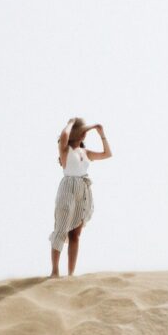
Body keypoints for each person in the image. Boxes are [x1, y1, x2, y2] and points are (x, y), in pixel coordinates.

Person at [49, 117, 112, 277]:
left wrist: (100, 133)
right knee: (61, 229)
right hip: (67, 188)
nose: (84, 134)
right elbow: (64, 136)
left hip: (83, 190)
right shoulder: (64, 149)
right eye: (82, 131)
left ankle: (71, 274)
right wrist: (71, 123)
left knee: (75, 234)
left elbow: (107, 154)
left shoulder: (85, 152)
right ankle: (55, 271)